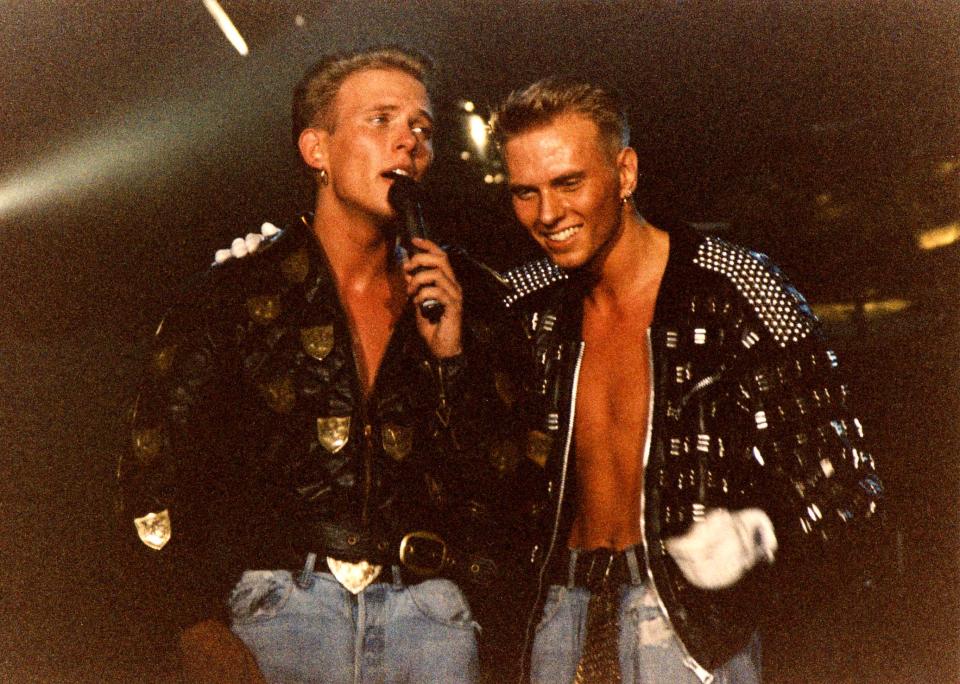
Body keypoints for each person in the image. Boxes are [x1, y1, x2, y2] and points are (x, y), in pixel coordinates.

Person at [117, 46, 504, 684]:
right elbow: (150, 468)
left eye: (422, 129)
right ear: (316, 150)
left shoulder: (469, 297)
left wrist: (452, 357)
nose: (408, 141)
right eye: (380, 120)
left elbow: (510, 483)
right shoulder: (236, 293)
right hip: (280, 618)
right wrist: (191, 625)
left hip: (432, 624)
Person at [487, 78, 884, 683]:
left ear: (624, 173)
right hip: (553, 620)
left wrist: (762, 534)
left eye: (569, 183)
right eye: (525, 192)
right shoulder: (519, 307)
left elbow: (852, 489)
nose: (547, 214)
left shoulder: (738, 288)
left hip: (690, 627)